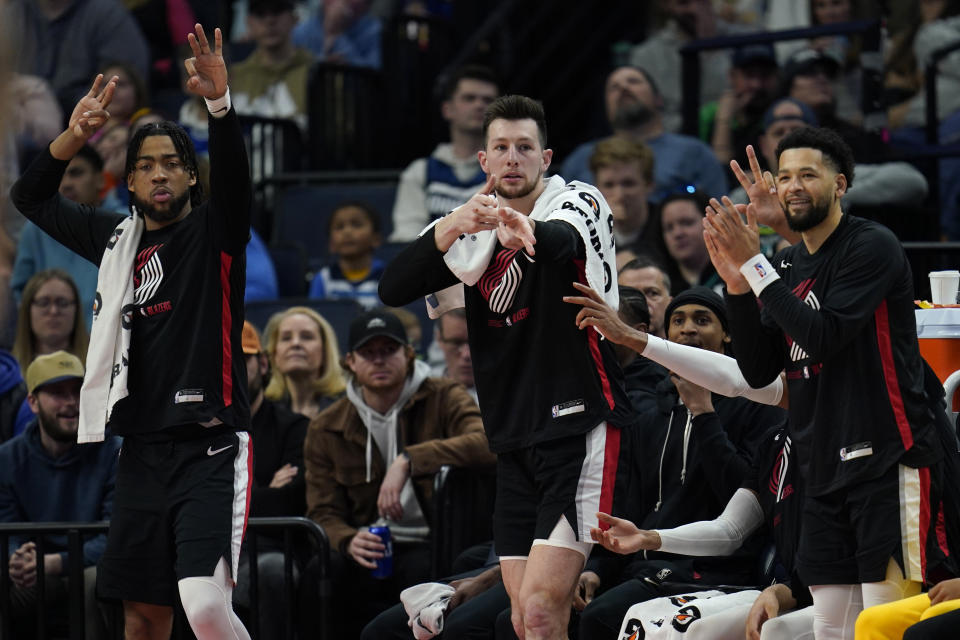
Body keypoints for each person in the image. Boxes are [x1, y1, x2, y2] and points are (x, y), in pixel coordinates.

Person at [10, 25, 256, 639]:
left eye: (173, 163)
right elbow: (30, 198)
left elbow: (234, 182)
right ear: (130, 182)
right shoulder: (116, 241)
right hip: (141, 451)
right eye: (145, 166)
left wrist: (219, 107)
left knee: (201, 604)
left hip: (210, 446)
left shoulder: (214, 231)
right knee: (142, 618)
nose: (160, 174)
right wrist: (72, 137)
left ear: (192, 177)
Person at [379, 94, 635, 640]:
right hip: (513, 438)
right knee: (524, 620)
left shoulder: (575, 201)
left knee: (542, 611)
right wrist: (451, 226)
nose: (513, 157)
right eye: (502, 147)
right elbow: (392, 286)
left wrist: (529, 232)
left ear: (546, 158)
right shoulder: (470, 228)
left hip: (578, 424)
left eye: (525, 147)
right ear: (484, 161)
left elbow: (566, 240)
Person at [703, 127, 941, 639]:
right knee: (831, 628)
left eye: (807, 175)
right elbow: (760, 369)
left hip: (886, 458)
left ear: (840, 184)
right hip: (819, 464)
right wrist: (739, 290)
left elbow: (823, 334)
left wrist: (755, 264)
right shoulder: (786, 263)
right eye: (784, 175)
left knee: (883, 623)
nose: (792, 186)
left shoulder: (871, 244)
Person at [569, 287, 785, 639]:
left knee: (602, 617)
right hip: (645, 563)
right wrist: (597, 568)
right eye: (678, 321)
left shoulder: (757, 408)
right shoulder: (650, 412)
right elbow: (630, 505)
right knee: (557, 611)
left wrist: (703, 414)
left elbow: (741, 497)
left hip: (709, 569)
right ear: (665, 335)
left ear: (727, 334)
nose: (687, 329)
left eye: (702, 320)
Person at [303, 308, 495, 636]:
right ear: (350, 361)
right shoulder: (327, 425)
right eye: (368, 352)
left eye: (388, 350)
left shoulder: (443, 395)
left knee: (426, 568)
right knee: (322, 567)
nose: (379, 360)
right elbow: (322, 510)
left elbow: (486, 444)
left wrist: (409, 459)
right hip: (369, 539)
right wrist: (348, 540)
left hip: (431, 540)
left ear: (408, 355)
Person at [0, 351, 120, 640]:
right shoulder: (8, 458)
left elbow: (115, 536)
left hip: (89, 567)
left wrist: (57, 561)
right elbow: (7, 528)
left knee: (97, 580)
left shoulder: (114, 451)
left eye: (77, 392)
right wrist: (16, 558)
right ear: (32, 402)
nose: (71, 403)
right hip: (36, 572)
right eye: (57, 393)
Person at [232, 321, 309, 638]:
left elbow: (290, 500)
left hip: (273, 547)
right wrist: (264, 491)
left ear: (262, 364)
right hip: (213, 550)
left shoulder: (293, 427)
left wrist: (233, 497)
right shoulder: (200, 431)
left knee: (274, 571)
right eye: (225, 362)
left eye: (243, 360)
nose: (234, 370)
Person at [561, 66, 728, 204]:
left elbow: (722, 214)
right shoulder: (580, 160)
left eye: (633, 81)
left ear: (658, 99)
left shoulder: (694, 153)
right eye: (614, 87)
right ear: (606, 107)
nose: (624, 88)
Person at [390, 65, 500, 241]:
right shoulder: (420, 171)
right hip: (432, 266)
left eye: (488, 100)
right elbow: (407, 238)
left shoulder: (513, 168)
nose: (479, 105)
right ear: (447, 109)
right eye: (469, 98)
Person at [12, 145, 111, 327]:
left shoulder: (125, 226)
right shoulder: (34, 230)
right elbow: (22, 293)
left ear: (100, 179)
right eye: (60, 176)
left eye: (76, 173)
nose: (65, 184)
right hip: (49, 342)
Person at [4, 0, 150, 116]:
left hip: (90, 125)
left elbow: (126, 84)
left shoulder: (107, 13)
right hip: (21, 122)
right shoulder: (11, 14)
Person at [628, 0, 755, 133]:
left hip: (740, 136)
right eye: (684, 3)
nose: (695, 9)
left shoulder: (746, 38)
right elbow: (649, 120)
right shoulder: (647, 55)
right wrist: (708, 119)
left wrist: (711, 44)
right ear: (667, 5)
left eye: (702, 1)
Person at [231, 0, 315, 131]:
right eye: (260, 13)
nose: (269, 21)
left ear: (295, 17)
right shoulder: (233, 77)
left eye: (278, 10)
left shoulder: (317, 74)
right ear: (248, 22)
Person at [701, 44, 780, 169]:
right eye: (749, 75)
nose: (757, 85)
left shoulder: (783, 112)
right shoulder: (709, 114)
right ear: (732, 76)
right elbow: (713, 171)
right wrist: (724, 120)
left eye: (765, 75)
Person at [263, 306, 347, 419]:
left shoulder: (346, 408)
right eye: (286, 338)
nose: (295, 343)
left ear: (325, 351)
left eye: (307, 337)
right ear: (274, 354)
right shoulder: (264, 412)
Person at [589, 136, 660, 259]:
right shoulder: (586, 231)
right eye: (609, 185)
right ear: (596, 188)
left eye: (628, 184)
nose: (619, 195)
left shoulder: (668, 226)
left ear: (649, 185)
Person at [308, 200, 385, 309]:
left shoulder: (386, 277)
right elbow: (316, 316)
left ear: (376, 239)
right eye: (339, 227)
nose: (347, 232)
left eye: (357, 225)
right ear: (331, 244)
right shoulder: (323, 279)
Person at [658, 191, 721, 295]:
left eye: (687, 223)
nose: (677, 233)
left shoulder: (735, 273)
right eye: (669, 228)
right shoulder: (661, 287)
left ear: (711, 224)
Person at [292, 0, 381, 69]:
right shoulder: (301, 33)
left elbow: (373, 79)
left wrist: (337, 36)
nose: (342, 3)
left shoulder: (375, 33)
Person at [617, 255, 672, 339]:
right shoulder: (599, 350)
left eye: (652, 293)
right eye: (630, 294)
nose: (643, 303)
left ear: (670, 303)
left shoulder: (687, 350)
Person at [431, 308, 477, 402]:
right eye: (456, 343)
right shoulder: (423, 394)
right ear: (439, 339)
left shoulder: (509, 394)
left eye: (475, 343)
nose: (466, 354)